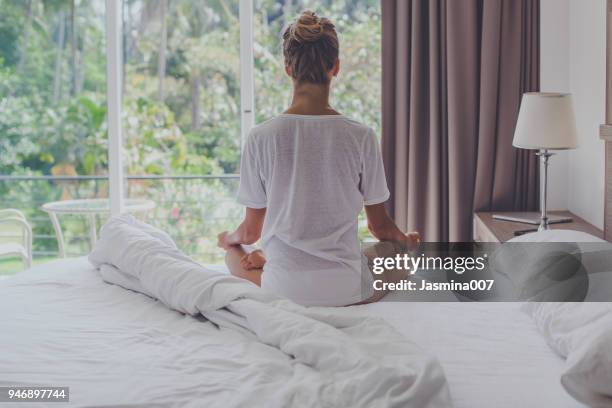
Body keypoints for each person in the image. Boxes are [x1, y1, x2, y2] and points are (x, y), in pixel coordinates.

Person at [217, 10, 419, 306]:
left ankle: (265, 260)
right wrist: (406, 240)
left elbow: (250, 231)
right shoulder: (361, 136)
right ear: (335, 67)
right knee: (397, 254)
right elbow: (379, 228)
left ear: (288, 68)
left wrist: (228, 239)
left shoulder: (261, 137)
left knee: (234, 254)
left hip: (284, 290)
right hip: (347, 290)